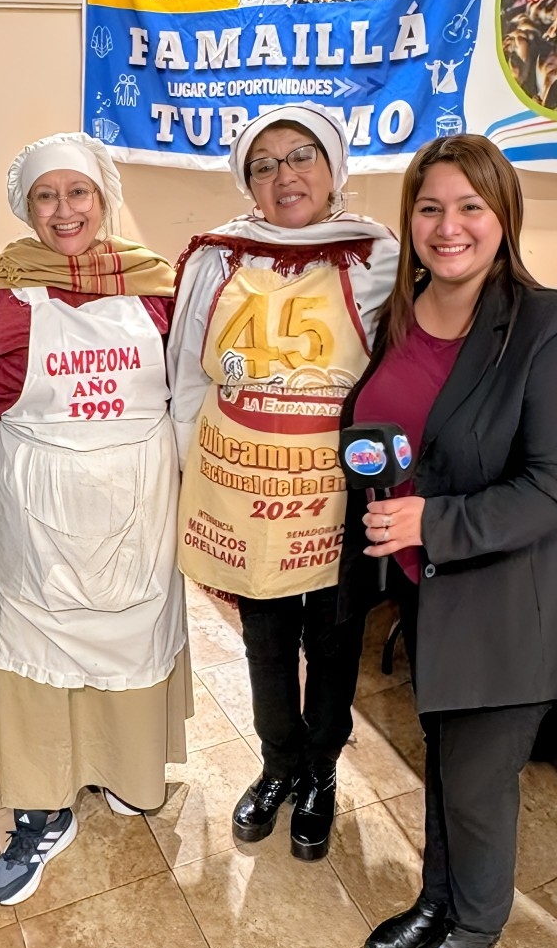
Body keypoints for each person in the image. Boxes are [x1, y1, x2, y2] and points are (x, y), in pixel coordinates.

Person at [338, 134, 557, 948]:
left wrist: (430, 522)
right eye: (430, 207)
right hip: (429, 590)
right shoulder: (400, 315)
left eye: (471, 206)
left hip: (511, 598)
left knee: (475, 782)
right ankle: (438, 902)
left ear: (505, 217)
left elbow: (552, 487)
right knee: (446, 759)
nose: (448, 225)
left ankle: (474, 927)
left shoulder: (551, 328)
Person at [0, 131, 190, 907]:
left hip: (142, 503)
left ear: (103, 196)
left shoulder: (161, 285)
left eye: (78, 193)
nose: (64, 212)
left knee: (132, 635)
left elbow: (186, 403)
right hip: (36, 506)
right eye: (45, 196)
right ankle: (41, 809)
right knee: (38, 650)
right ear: (25, 206)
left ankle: (128, 774)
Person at [167, 102, 398, 860]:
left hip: (336, 497)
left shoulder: (381, 257)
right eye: (263, 165)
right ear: (248, 182)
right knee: (264, 642)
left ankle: (322, 771)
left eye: (301, 156)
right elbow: (188, 380)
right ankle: (278, 764)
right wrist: (185, 479)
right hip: (242, 490)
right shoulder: (215, 258)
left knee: (335, 643)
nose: (284, 175)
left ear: (335, 170)